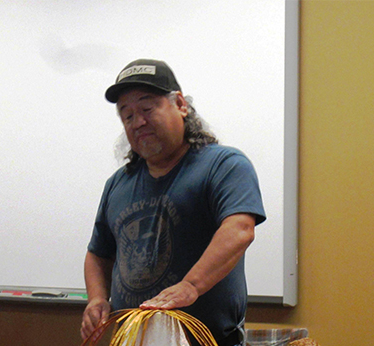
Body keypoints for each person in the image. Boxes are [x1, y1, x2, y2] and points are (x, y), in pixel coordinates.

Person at [80, 58, 266, 346]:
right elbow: (98, 253)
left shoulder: (224, 165)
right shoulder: (117, 183)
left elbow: (240, 228)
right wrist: (96, 299)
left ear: (180, 104)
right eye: (127, 116)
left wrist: (191, 286)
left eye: (146, 108)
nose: (137, 122)